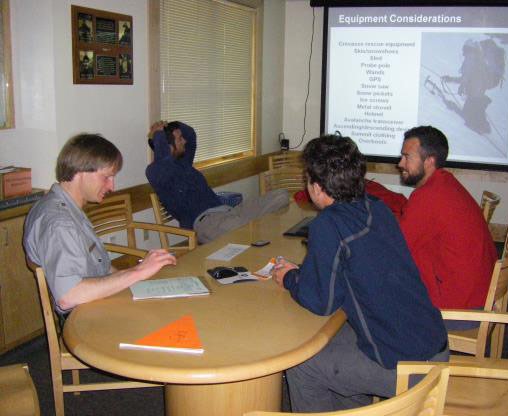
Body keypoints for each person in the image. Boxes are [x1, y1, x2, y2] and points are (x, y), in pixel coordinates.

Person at [272, 134, 448, 412]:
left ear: (317, 187)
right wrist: (307, 270)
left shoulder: (327, 225)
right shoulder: (376, 208)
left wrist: (290, 278)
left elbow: (322, 302)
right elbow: (351, 267)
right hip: (433, 345)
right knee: (331, 344)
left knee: (302, 365)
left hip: (407, 368)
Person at [24, 134, 177, 317]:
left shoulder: (66, 206)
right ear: (80, 172)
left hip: (96, 301)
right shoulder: (59, 223)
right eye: (107, 177)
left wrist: (135, 281)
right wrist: (138, 272)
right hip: (85, 317)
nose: (112, 186)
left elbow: (100, 267)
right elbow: (68, 296)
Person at [374, 126, 497, 319]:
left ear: (429, 161)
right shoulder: (445, 184)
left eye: (407, 157)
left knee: (376, 281)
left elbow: (394, 250)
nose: (400, 163)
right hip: (476, 294)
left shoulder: (429, 196)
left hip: (459, 310)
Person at [146, 121, 289, 243]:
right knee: (246, 231)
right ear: (166, 145)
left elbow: (191, 134)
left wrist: (170, 125)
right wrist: (158, 134)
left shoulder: (184, 163)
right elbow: (164, 160)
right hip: (205, 223)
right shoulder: (156, 171)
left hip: (228, 212)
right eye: (179, 139)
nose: (184, 141)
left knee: (281, 195)